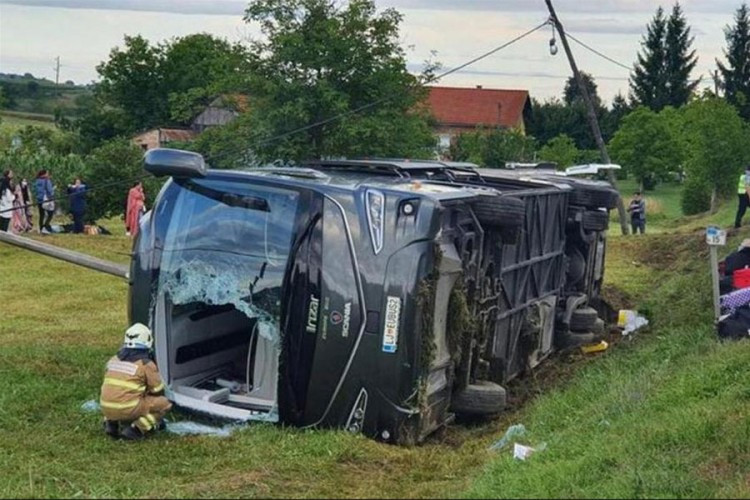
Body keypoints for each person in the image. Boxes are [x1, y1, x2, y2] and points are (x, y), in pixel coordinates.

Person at [99, 323, 172, 440]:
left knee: (115, 396)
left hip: (105, 406)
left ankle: (111, 424)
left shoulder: (114, 359)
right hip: (127, 407)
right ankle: (136, 429)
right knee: (164, 404)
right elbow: (157, 390)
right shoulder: (146, 364)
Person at [34, 169, 55, 234]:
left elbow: (35, 190)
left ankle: (41, 228)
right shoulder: (47, 181)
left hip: (39, 199)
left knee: (41, 215)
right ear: (44, 174)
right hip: (46, 200)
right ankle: (45, 226)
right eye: (47, 173)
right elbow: (50, 190)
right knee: (50, 214)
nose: (48, 174)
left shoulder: (37, 181)